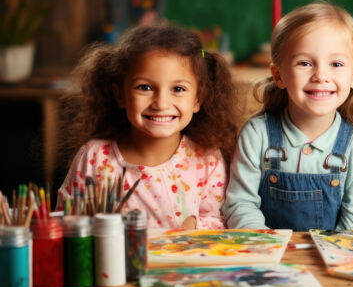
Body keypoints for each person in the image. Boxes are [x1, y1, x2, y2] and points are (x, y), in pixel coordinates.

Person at [57, 25, 239, 229]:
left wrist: (194, 226)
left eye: (178, 89)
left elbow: (219, 220)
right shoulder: (94, 157)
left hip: (182, 260)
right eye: (145, 87)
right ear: (120, 95)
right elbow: (67, 222)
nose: (161, 103)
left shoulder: (207, 158)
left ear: (198, 99)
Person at [223, 1, 353, 231]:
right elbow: (240, 204)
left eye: (336, 64)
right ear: (279, 76)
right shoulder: (256, 134)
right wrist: (265, 242)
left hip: (334, 259)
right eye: (305, 63)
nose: (321, 76)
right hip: (267, 256)